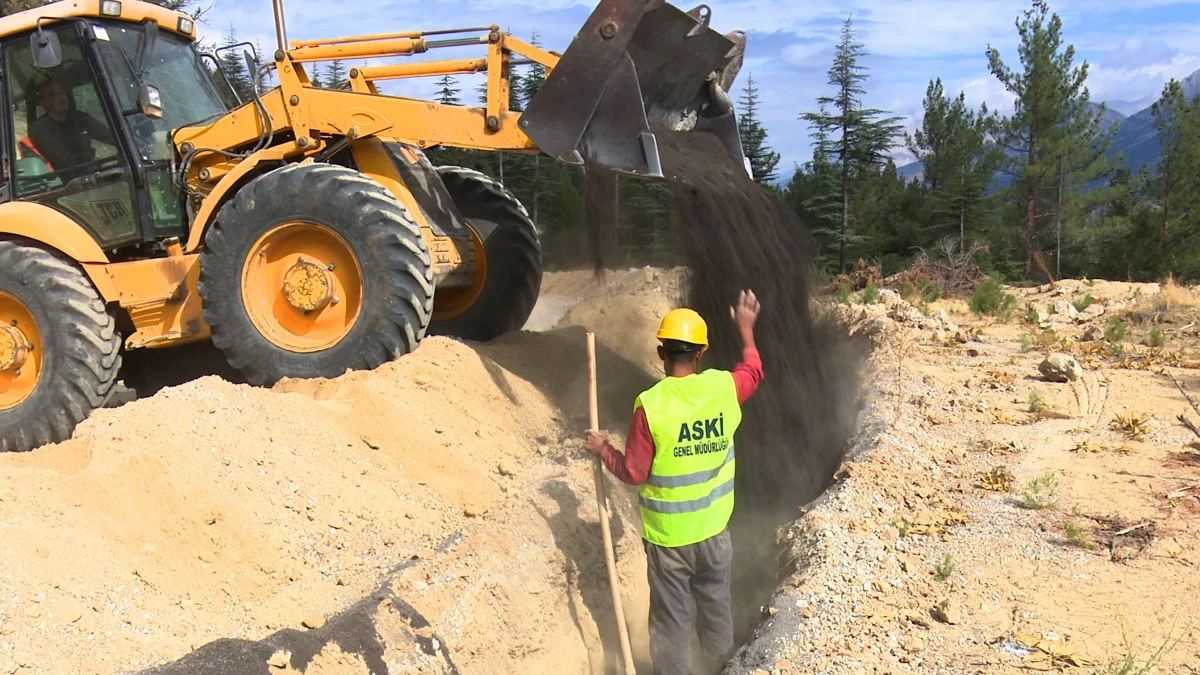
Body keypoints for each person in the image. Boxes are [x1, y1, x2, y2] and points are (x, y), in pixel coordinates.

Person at [585, 290, 763, 675]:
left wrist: (603, 449)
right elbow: (753, 371)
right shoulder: (722, 388)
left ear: (661, 353)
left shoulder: (651, 405)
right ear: (701, 353)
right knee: (716, 614)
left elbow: (634, 472)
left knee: (671, 626)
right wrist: (746, 329)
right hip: (714, 534)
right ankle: (723, 669)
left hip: (669, 543)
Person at [27, 78, 114, 172]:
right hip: (66, 177)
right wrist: (96, 162)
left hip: (92, 170)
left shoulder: (80, 118)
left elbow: (108, 135)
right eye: (53, 95)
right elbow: (64, 160)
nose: (60, 98)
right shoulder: (39, 127)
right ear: (42, 102)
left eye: (62, 93)